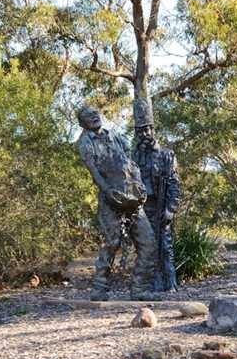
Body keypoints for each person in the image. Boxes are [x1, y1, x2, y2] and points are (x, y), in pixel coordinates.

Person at [76, 106, 159, 301]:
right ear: (82, 124)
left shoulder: (117, 137)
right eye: (88, 116)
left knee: (148, 242)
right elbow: (94, 172)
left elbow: (130, 163)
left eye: (95, 113)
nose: (94, 116)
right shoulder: (86, 144)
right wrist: (108, 192)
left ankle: (140, 289)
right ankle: (99, 289)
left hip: (133, 198)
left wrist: (138, 185)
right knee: (112, 243)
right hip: (111, 200)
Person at [132, 97, 180, 292]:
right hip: (141, 208)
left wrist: (171, 208)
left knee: (165, 245)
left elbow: (175, 184)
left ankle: (170, 283)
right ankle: (149, 283)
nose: (145, 133)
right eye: (140, 130)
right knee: (145, 247)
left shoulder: (167, 155)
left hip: (160, 205)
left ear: (153, 129)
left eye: (147, 129)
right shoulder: (134, 155)